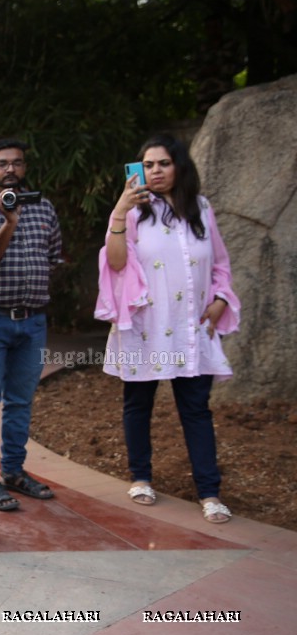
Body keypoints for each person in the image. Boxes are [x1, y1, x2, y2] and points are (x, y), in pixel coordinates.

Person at [96, 134, 238, 524]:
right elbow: (117, 263)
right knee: (138, 404)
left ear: (180, 167)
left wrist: (222, 298)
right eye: (148, 164)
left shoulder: (202, 209)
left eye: (163, 163)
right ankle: (140, 477)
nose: (155, 171)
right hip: (146, 327)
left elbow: (221, 264)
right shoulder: (134, 212)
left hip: (192, 329)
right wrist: (121, 211)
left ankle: (209, 493)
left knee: (196, 410)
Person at [0, 139, 64, 512]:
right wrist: (7, 221)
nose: (10, 169)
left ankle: (13, 471)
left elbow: (55, 257)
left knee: (20, 402)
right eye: (2, 164)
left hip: (33, 322)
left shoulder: (43, 207)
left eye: (17, 163)